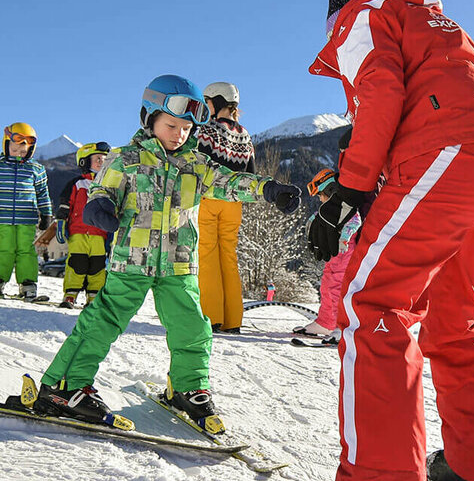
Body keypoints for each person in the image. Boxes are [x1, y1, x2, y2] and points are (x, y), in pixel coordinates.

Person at [279, 0, 474, 481]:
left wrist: (350, 188)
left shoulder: (362, 16)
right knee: (452, 319)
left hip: (445, 152)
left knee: (371, 304)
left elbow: (382, 92)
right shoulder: (441, 27)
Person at [29, 75, 300, 428]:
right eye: (172, 125)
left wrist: (268, 188)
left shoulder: (196, 164)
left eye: (187, 128)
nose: (179, 134)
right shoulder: (124, 158)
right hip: (132, 262)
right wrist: (99, 207)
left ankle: (188, 388)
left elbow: (229, 181)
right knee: (102, 322)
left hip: (179, 264)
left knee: (193, 327)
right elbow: (102, 191)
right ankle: (64, 386)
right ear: (149, 118)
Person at [197, 82, 255, 334]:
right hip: (235, 204)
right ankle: (233, 320)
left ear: (217, 102)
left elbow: (197, 166)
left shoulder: (206, 130)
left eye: (207, 101)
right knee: (229, 259)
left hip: (209, 199)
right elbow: (251, 174)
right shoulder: (245, 135)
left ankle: (211, 316)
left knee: (206, 256)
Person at [293, 168, 361, 342]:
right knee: (326, 286)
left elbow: (355, 221)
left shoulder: (347, 208)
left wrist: (345, 238)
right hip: (334, 257)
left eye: (321, 195)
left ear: (331, 191)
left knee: (338, 289)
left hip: (346, 256)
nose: (320, 199)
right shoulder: (330, 210)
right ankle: (325, 323)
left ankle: (342, 326)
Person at [0, 122, 52, 300]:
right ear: (6, 145)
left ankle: (28, 283)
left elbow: (43, 193)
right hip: (2, 218)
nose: (18, 154)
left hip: (27, 219)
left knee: (26, 251)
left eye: (23, 151)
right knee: (4, 249)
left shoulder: (36, 169)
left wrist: (46, 213)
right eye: (14, 149)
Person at [56, 141, 111, 308]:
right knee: (76, 263)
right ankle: (70, 295)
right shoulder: (77, 183)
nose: (101, 162)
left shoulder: (109, 185)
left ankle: (93, 297)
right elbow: (66, 204)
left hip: (99, 233)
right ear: (84, 161)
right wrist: (61, 222)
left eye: (104, 159)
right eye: (97, 159)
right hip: (78, 232)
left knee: (97, 265)